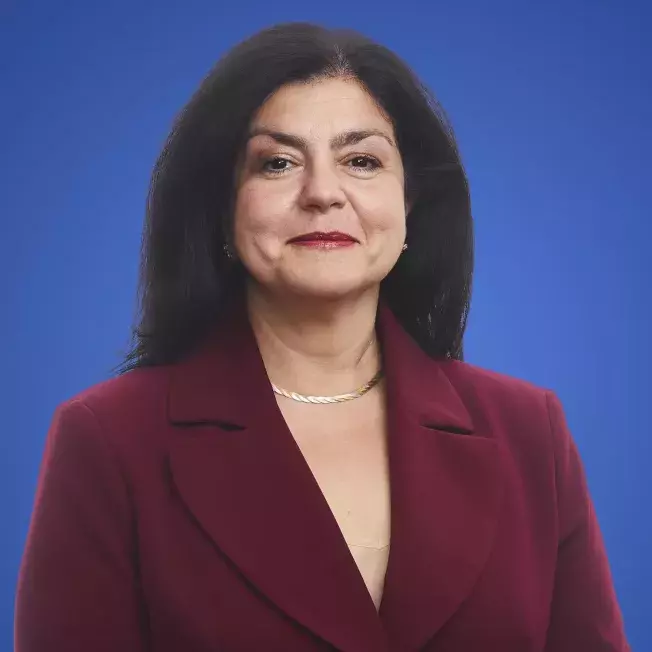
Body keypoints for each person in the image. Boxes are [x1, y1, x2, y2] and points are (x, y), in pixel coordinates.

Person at [15, 22, 629, 652]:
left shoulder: (528, 431)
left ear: (410, 205)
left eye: (361, 160)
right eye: (277, 163)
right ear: (223, 212)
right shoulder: (110, 440)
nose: (323, 194)